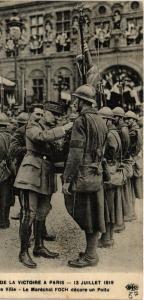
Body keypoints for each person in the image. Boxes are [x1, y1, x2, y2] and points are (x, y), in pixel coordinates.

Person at [15, 103, 73, 268]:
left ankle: (39, 246)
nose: (57, 118)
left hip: (46, 175)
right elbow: (40, 137)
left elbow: (57, 154)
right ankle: (23, 252)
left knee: (42, 212)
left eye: (58, 116)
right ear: (46, 113)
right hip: (30, 176)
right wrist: (64, 129)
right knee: (29, 213)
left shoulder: (50, 131)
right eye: (54, 115)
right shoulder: (33, 126)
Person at [62, 84, 108, 268]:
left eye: (76, 100)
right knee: (95, 212)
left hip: (83, 174)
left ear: (83, 102)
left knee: (85, 214)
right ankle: (91, 252)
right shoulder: (100, 120)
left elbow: (75, 154)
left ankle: (90, 256)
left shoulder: (81, 121)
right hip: (96, 172)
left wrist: (67, 179)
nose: (74, 103)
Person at [98, 107, 123, 248]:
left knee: (107, 206)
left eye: (102, 119)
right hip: (114, 169)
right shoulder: (115, 132)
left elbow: (108, 153)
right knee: (111, 205)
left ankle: (106, 238)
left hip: (109, 171)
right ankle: (108, 236)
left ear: (108, 120)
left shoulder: (109, 134)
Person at [9, 112, 30, 220]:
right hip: (22, 165)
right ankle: (23, 211)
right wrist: (28, 149)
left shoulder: (23, 131)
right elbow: (13, 150)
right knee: (22, 191)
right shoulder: (19, 132)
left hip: (26, 167)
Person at [125, 111, 142, 200]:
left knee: (135, 182)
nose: (127, 121)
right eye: (126, 119)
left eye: (129, 119)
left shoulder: (133, 131)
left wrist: (132, 155)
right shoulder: (135, 129)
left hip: (134, 158)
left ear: (134, 120)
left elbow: (137, 146)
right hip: (136, 158)